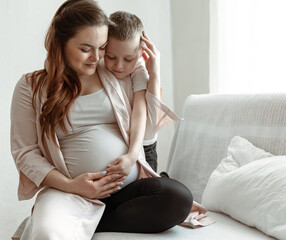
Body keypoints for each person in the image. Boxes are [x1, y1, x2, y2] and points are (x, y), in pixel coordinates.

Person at [10, 0, 211, 239]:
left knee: (178, 198)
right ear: (60, 44)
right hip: (70, 192)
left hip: (125, 190)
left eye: (102, 47)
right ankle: (65, 218)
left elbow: (148, 128)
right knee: (47, 233)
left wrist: (154, 72)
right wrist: (72, 185)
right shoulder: (31, 87)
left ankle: (91, 223)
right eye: (86, 49)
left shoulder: (116, 72)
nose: (96, 58)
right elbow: (25, 153)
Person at [104, 11, 160, 172]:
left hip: (144, 145)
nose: (119, 65)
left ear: (140, 53)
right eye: (111, 57)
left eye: (128, 59)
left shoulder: (139, 70)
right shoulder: (99, 67)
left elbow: (140, 111)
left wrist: (133, 153)